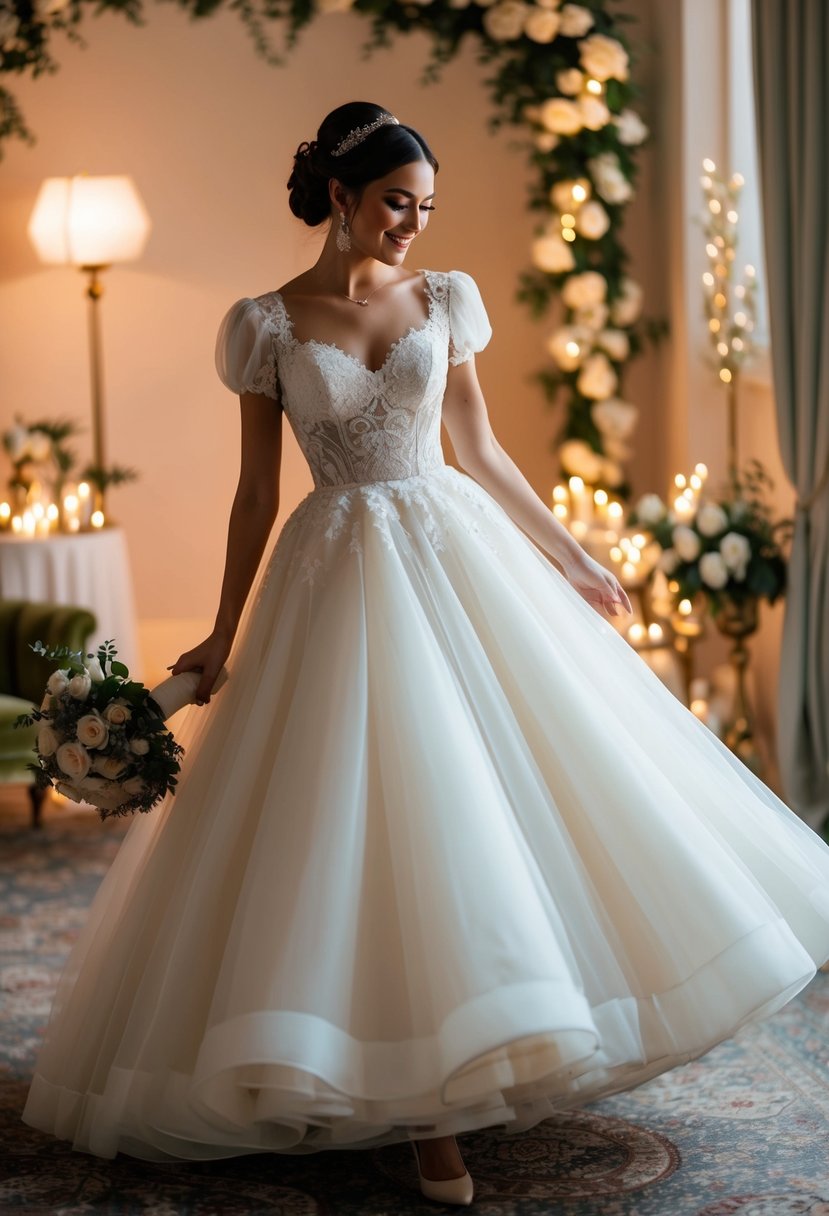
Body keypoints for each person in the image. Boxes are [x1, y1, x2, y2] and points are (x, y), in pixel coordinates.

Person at [21, 100, 829, 1209]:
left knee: (497, 800)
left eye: (427, 207)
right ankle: (418, 1111)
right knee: (353, 826)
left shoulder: (444, 298)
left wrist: (570, 558)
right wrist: (222, 625)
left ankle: (489, 1051)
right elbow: (255, 493)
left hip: (455, 553)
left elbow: (481, 452)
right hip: (332, 571)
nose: (413, 224)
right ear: (341, 196)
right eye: (397, 202)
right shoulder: (264, 324)